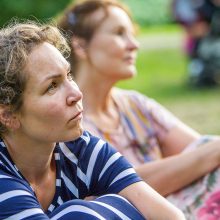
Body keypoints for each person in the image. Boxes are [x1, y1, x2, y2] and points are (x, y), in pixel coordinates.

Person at [0, 20, 186, 219]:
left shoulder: (80, 150)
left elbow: (170, 216)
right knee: (79, 214)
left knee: (114, 204)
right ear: (8, 115)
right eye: (52, 86)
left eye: (69, 75)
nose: (76, 94)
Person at [57, 0, 220, 219]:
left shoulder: (136, 105)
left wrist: (209, 153)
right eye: (119, 33)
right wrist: (209, 154)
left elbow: (201, 148)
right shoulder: (68, 122)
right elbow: (107, 193)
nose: (134, 44)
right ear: (81, 46)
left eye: (132, 34)